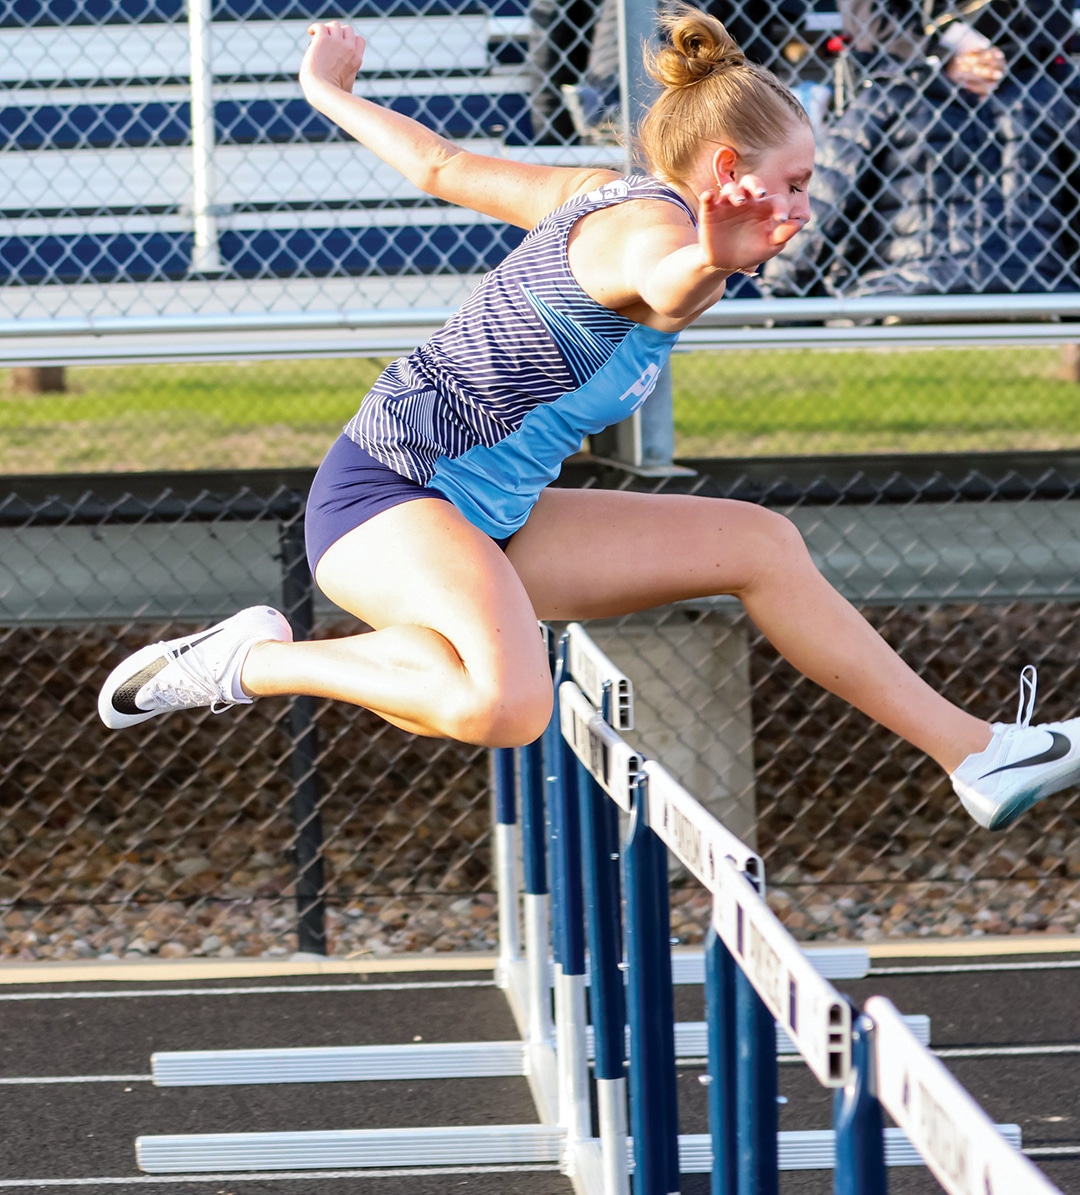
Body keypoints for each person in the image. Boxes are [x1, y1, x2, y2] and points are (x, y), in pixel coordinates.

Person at [98, 6, 1080, 834]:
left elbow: (439, 164)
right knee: (506, 705)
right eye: (793, 183)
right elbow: (663, 283)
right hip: (385, 501)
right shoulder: (651, 236)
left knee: (760, 546)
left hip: (493, 516)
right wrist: (714, 258)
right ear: (726, 170)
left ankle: (978, 753)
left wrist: (329, 93)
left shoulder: (591, 191)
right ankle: (249, 660)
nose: (805, 206)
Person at [764, 0, 1079, 296]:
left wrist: (782, 296)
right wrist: (958, 57)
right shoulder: (1048, 99)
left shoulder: (892, 96)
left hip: (904, 288)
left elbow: (825, 199)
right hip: (1036, 284)